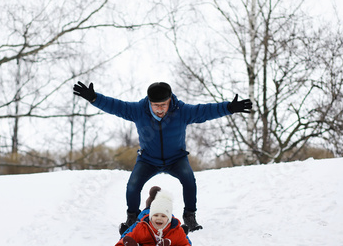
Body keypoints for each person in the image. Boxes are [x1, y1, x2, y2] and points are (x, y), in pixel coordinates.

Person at [73, 81, 252, 234]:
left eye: (163, 105)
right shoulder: (138, 111)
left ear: (170, 101)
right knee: (133, 185)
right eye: (156, 106)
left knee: (189, 180)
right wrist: (94, 98)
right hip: (148, 160)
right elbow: (116, 106)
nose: (160, 110)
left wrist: (228, 108)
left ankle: (189, 217)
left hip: (176, 159)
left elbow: (204, 111)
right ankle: (132, 219)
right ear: (150, 103)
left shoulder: (181, 111)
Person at [114, 189, 193, 246]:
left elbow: (185, 244)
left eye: (163, 216)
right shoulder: (142, 227)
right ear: (151, 216)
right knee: (136, 245)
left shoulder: (176, 231)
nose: (159, 218)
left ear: (169, 218)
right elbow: (128, 238)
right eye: (155, 215)